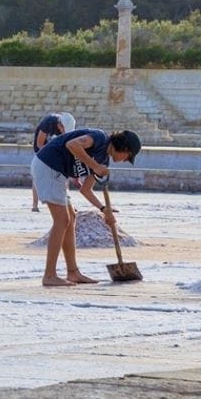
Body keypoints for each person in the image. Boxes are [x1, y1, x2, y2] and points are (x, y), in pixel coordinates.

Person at [30, 128, 142, 286]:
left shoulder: (103, 161)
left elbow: (86, 189)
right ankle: (49, 275)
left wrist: (104, 209)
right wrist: (94, 165)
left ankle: (73, 272)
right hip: (48, 166)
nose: (125, 160)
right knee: (61, 220)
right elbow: (72, 144)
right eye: (128, 156)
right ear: (124, 148)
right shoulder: (99, 138)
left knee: (71, 218)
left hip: (58, 174)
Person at [30, 112, 76, 211]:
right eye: (64, 130)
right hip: (42, 149)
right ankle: (35, 205)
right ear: (59, 125)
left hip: (55, 150)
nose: (64, 133)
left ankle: (66, 203)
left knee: (64, 173)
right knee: (38, 175)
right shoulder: (49, 122)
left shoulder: (67, 131)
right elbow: (39, 144)